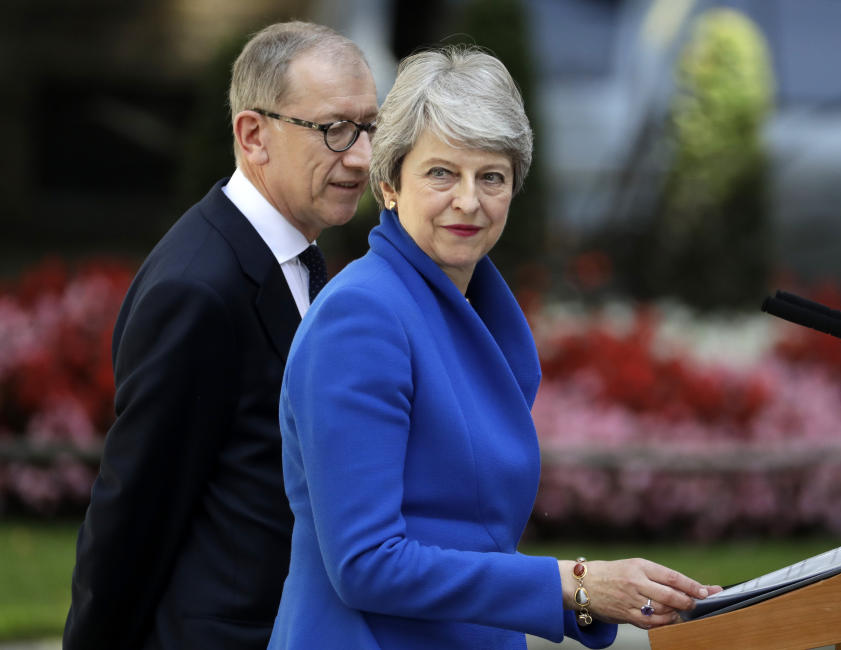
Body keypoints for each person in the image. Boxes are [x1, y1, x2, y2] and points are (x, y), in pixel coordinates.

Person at [269, 45, 719, 649]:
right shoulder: (362, 317)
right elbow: (367, 564)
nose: (469, 201)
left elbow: (471, 536)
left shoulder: (463, 306)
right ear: (388, 183)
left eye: (492, 177)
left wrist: (594, 597)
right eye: (440, 173)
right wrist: (574, 585)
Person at [63, 21, 378, 650]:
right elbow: (133, 513)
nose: (363, 156)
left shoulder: (296, 258)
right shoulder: (198, 288)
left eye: (370, 127)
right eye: (334, 130)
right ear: (253, 136)